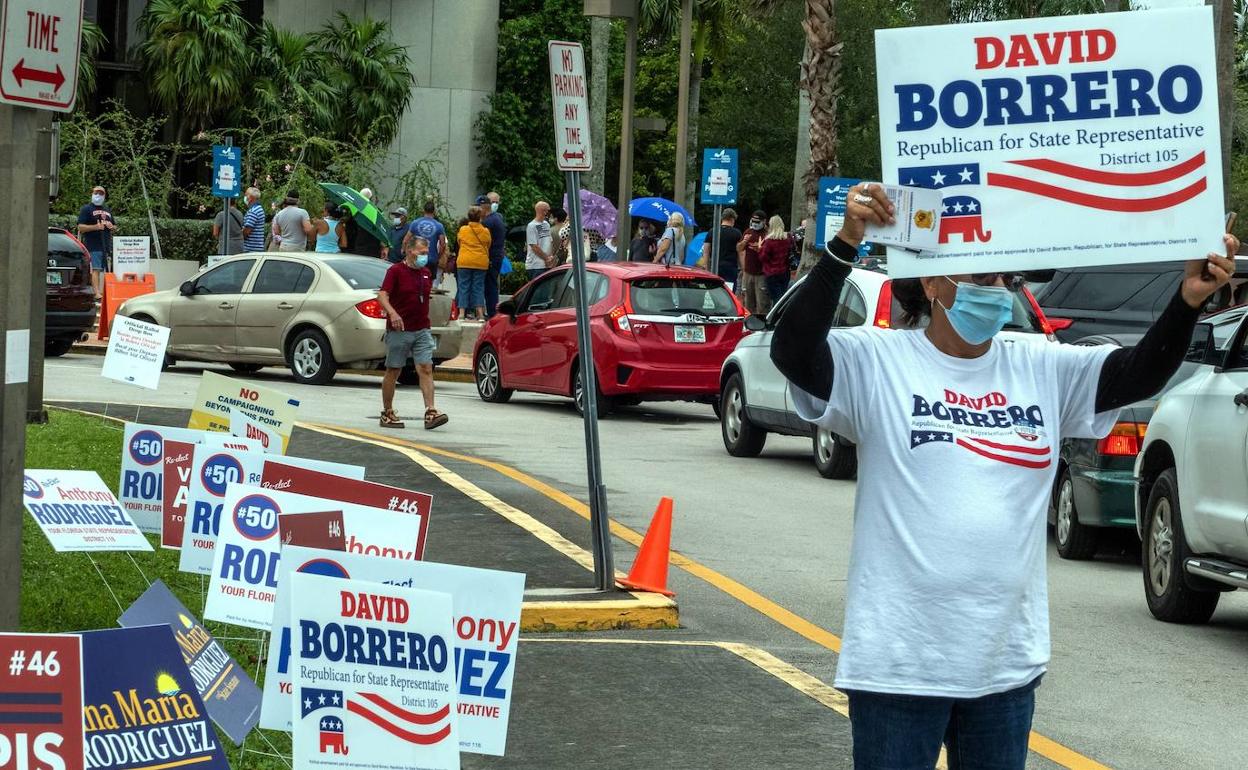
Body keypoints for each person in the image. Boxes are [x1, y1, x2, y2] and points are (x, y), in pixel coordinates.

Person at [769, 181, 1239, 770]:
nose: (997, 294)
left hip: (1002, 666)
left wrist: (1187, 301)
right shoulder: (878, 360)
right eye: (982, 280)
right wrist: (844, 245)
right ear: (936, 285)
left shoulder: (1039, 364)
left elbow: (1137, 373)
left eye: (1006, 281)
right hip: (899, 665)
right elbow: (793, 352)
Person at [377, 236, 447, 431]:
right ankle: (388, 411)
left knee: (425, 367)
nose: (425, 256)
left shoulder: (425, 273)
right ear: (409, 251)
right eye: (421, 253)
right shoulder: (396, 271)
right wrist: (393, 313)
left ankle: (430, 410)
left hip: (422, 328)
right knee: (394, 369)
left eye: (427, 253)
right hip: (400, 330)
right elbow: (382, 295)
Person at [77, 185, 114, 299]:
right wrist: (96, 227)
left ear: (104, 196)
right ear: (92, 193)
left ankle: (104, 292)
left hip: (106, 245)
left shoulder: (107, 209)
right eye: (96, 192)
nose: (98, 195)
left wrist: (111, 226)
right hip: (93, 244)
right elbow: (80, 227)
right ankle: (96, 293)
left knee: (106, 271)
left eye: (101, 193)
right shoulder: (86, 209)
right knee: (96, 269)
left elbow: (114, 225)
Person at [456, 206, 492, 321]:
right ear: (480, 218)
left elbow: (459, 242)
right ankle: (480, 314)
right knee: (478, 287)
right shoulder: (485, 231)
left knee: (463, 287)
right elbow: (488, 245)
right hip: (480, 262)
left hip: (464, 261)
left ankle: (461, 314)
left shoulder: (463, 230)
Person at [404, 200, 448, 283]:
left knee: (413, 281)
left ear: (423, 210)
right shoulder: (439, 226)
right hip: (431, 258)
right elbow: (443, 244)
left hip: (415, 257)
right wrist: (438, 256)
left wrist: (406, 252)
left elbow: (406, 240)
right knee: (428, 283)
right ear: (434, 211)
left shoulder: (415, 223)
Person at [480, 192, 507, 316]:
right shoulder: (498, 218)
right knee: (491, 285)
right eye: (493, 202)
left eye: (497, 202)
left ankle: (491, 313)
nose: (495, 204)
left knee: (490, 286)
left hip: (491, 257)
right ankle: (492, 311)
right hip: (496, 256)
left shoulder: (489, 221)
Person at [737, 210, 769, 314]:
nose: (755, 224)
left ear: (764, 222)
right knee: (748, 301)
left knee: (762, 302)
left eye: (757, 222)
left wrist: (760, 249)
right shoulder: (748, 232)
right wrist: (744, 241)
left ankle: (762, 325)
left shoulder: (767, 234)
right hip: (748, 272)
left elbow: (770, 254)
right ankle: (749, 324)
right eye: (753, 221)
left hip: (762, 273)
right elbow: (739, 248)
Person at [702, 208, 741, 286]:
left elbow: (706, 250)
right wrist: (742, 267)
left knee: (715, 288)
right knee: (729, 290)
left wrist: (705, 265)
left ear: (722, 218)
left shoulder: (712, 231)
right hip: (730, 267)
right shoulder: (737, 233)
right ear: (732, 219)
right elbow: (740, 251)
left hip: (715, 266)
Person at [758, 215, 793, 302]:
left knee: (776, 299)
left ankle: (776, 315)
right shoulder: (788, 238)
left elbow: (763, 258)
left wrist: (759, 248)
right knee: (783, 298)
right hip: (785, 272)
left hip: (771, 273)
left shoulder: (769, 241)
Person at [346, 187, 386, 260]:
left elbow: (350, 230)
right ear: (371, 198)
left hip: (359, 246)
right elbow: (382, 229)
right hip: (374, 248)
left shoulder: (356, 211)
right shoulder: (377, 212)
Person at [525, 201, 553, 280]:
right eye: (548, 210)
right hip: (535, 266)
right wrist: (546, 258)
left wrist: (550, 258)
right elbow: (534, 246)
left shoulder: (546, 224)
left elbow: (550, 242)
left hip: (547, 264)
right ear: (543, 211)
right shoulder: (531, 226)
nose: (549, 213)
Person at [241, 187, 266, 252]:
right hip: (256, 248)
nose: (245, 197)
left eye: (246, 195)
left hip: (251, 249)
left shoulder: (253, 211)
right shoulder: (259, 208)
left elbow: (247, 231)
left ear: (251, 198)